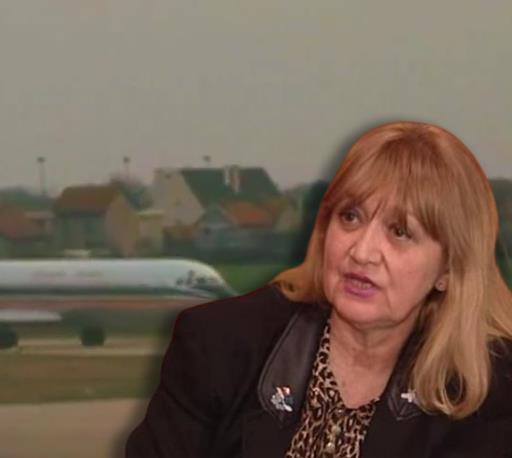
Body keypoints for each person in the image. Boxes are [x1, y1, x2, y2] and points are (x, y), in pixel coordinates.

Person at [125, 121, 512, 457]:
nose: (362, 252)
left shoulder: (489, 392)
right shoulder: (219, 345)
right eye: (350, 217)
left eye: (399, 232)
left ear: (449, 269)